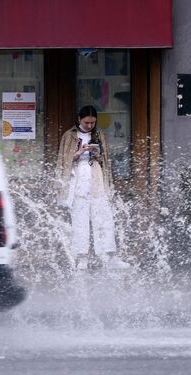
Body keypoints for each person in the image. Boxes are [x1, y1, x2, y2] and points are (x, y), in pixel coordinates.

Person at [55, 105, 130, 270]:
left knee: (104, 217)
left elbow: (106, 161)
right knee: (79, 220)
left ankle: (108, 256)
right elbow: (63, 160)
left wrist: (97, 155)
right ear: (79, 119)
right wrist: (78, 154)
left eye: (92, 122)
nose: (90, 125)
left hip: (96, 177)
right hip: (77, 179)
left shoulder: (99, 135)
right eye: (87, 122)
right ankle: (81, 257)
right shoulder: (69, 136)